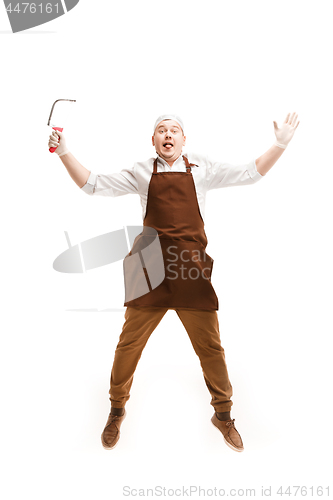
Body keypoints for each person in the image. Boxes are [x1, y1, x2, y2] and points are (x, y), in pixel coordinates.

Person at [48, 112, 300, 452]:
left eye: (174, 130)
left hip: (190, 269)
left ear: (184, 140)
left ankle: (223, 415)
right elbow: (92, 184)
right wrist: (64, 150)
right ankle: (116, 409)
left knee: (211, 347)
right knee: (129, 345)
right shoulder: (140, 171)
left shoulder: (203, 169)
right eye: (161, 131)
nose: (168, 134)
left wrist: (280, 142)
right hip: (149, 268)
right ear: (153, 141)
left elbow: (250, 174)